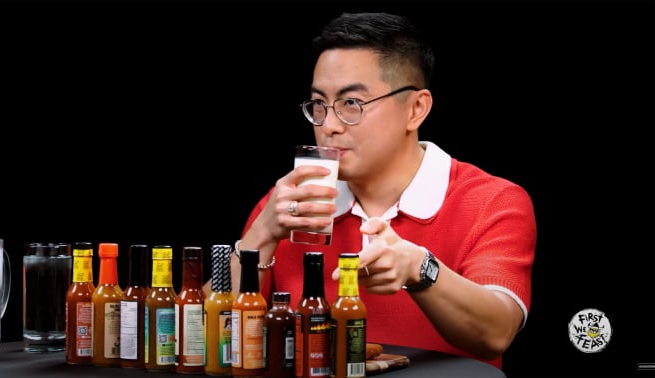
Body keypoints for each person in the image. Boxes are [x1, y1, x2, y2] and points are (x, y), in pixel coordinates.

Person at [213, 11, 536, 370]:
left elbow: (497, 332)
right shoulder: (289, 204)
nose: (329, 126)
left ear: (416, 109)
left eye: (352, 104)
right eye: (319, 105)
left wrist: (420, 269)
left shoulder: (492, 201)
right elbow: (212, 335)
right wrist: (261, 235)